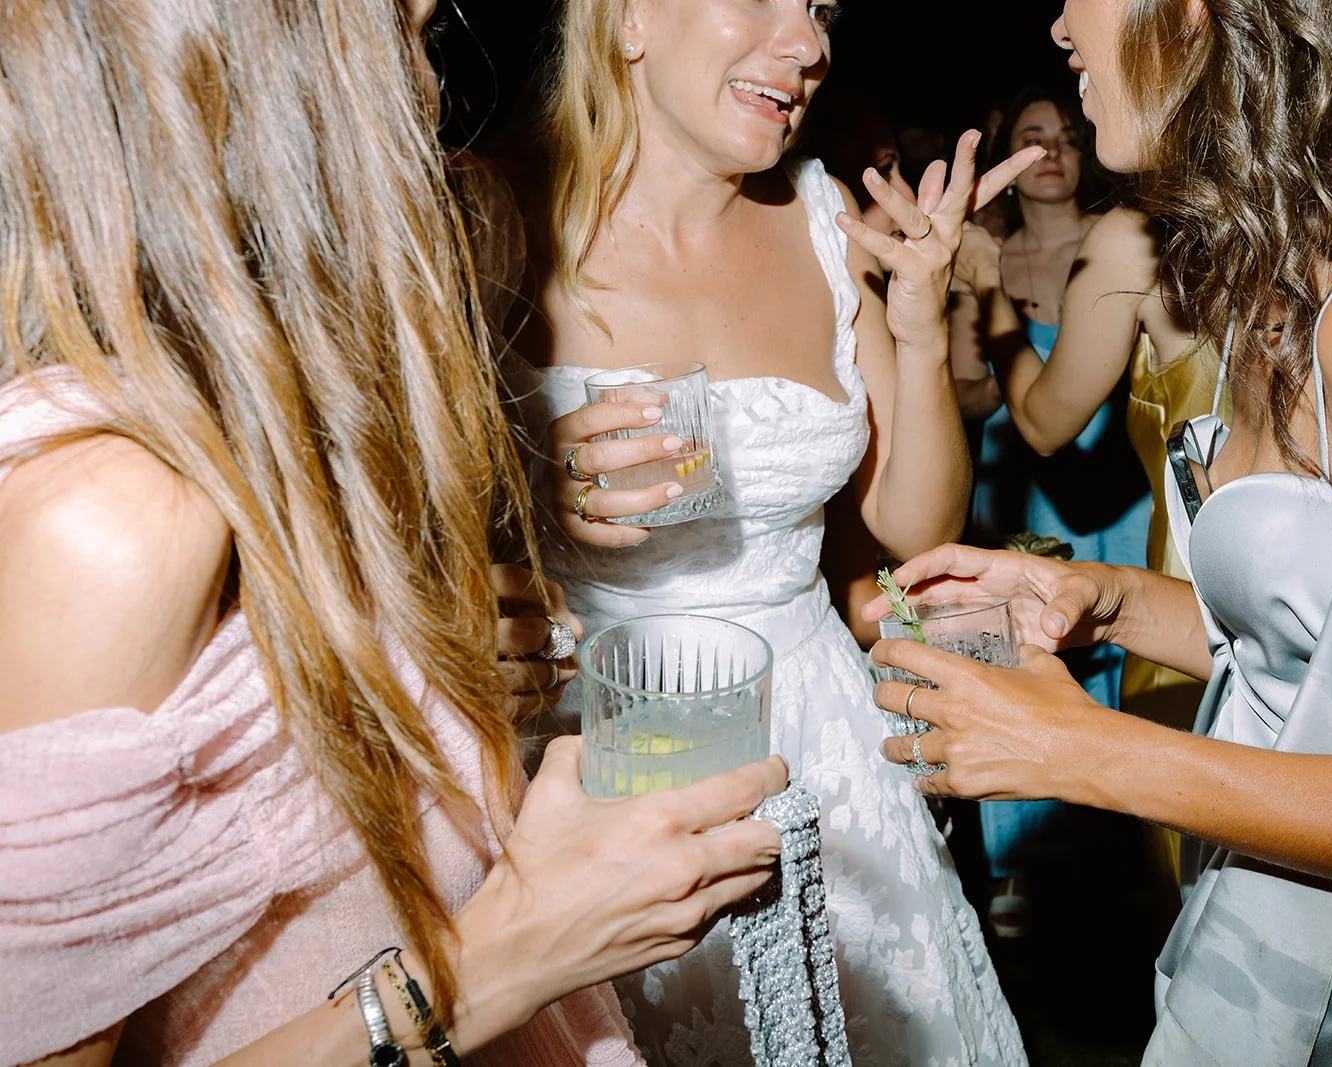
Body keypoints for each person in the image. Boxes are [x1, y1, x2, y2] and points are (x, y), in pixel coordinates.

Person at [0, 2, 791, 1065]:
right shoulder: (110, 517)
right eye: (404, 34)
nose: (433, 92)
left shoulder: (264, 421)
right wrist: (508, 950)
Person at [869, 1, 1332, 1064]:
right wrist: (1109, 603)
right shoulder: (1293, 254)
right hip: (1299, 937)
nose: (1062, 23)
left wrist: (1081, 749)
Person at [509, 1, 1039, 1062]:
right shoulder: (493, 216)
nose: (808, 46)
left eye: (824, 10)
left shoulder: (819, 214)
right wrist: (523, 487)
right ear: (625, 21)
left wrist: (916, 317)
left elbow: (911, 522)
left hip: (822, 743)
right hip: (592, 740)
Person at [956, 203, 1221, 895]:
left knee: (1196, 862)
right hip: (1330, 592)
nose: (1080, 86)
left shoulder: (1134, 237)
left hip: (1195, 591)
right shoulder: (1306, 205)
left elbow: (1044, 420)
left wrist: (987, 284)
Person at [949, 86, 1150, 935]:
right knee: (1020, 658)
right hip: (1019, 490)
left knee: (1122, 666)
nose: (1056, 151)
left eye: (1068, 136)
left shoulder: (1121, 248)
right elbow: (965, 394)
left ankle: (1124, 851)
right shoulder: (983, 260)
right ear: (1006, 153)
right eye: (1034, 138)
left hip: (1116, 489)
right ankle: (1021, 868)